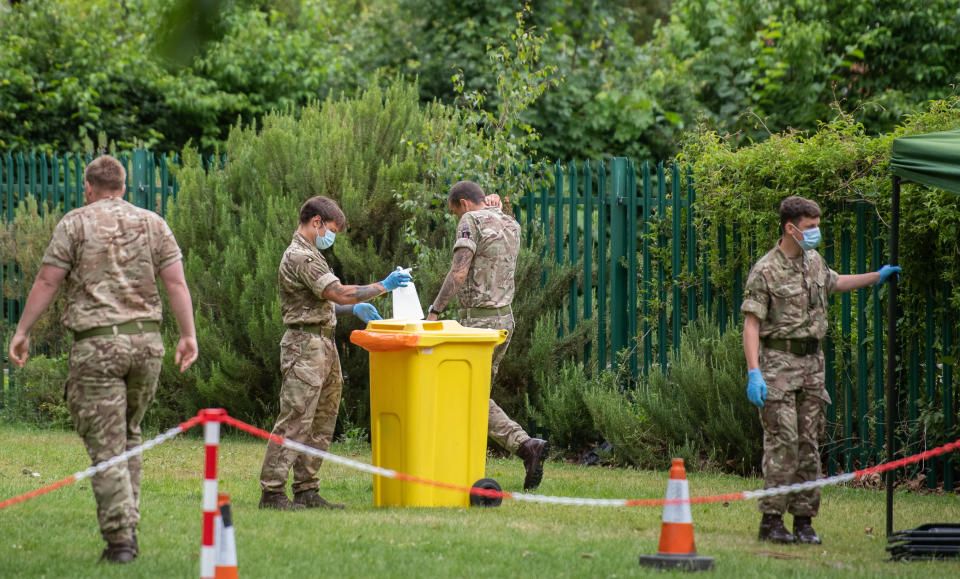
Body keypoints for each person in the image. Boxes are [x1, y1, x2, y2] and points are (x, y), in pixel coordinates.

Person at [8, 155, 198, 564]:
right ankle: (127, 524)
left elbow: (47, 280)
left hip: (97, 347)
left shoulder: (75, 223)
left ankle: (120, 541)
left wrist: (22, 332)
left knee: (107, 445)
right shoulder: (153, 223)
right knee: (128, 434)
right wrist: (188, 335)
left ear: (88, 187)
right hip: (147, 346)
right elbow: (176, 282)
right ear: (124, 187)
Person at [741, 195, 901, 545]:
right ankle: (771, 521)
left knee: (809, 444)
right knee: (783, 444)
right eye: (811, 227)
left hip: (813, 366)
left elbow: (836, 281)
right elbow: (751, 324)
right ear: (790, 227)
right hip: (777, 366)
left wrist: (878, 276)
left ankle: (803, 520)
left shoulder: (813, 262)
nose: (816, 232)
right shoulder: (766, 269)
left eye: (817, 225)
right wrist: (754, 372)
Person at [259, 195, 409, 511]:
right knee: (296, 418)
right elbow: (335, 292)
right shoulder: (301, 257)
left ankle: (307, 490)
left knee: (321, 421)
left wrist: (351, 309)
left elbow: (320, 303)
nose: (332, 237)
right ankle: (272, 493)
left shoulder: (312, 254)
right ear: (317, 223)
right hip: (304, 346)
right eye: (332, 230)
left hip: (322, 344)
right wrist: (385, 285)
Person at [425, 180, 550, 490]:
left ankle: (523, 445)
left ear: (463, 204)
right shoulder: (510, 221)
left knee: (465, 394)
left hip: (478, 324)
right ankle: (524, 447)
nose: (457, 218)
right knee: (473, 395)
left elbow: (459, 272)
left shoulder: (470, 221)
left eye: (455, 213)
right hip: (504, 319)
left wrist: (434, 311)